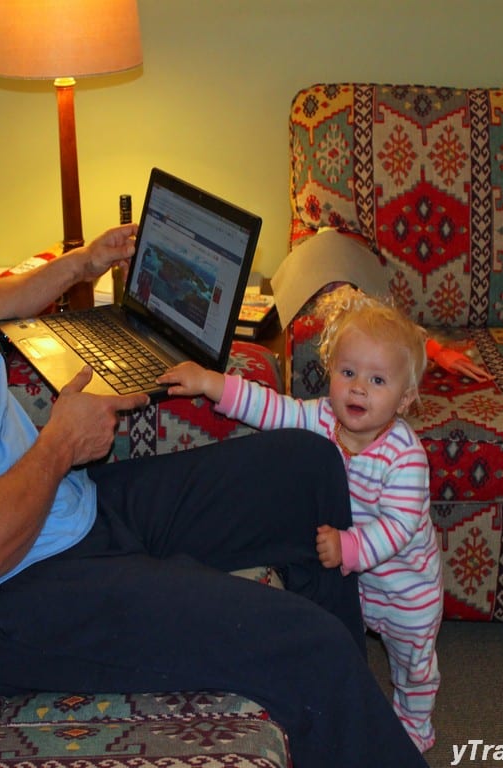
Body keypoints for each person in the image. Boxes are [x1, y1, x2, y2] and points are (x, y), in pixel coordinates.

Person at [0, 6, 428, 768]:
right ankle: (334, 690)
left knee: (307, 469)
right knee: (300, 644)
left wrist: (76, 267)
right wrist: (59, 445)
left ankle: (341, 716)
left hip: (59, 514)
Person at [160, 286, 444, 752]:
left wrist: (350, 547)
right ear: (329, 371)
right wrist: (213, 383)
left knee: (412, 667)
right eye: (348, 372)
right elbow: (274, 410)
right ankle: (358, 703)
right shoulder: (323, 418)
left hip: (407, 592)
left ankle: (415, 727)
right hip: (358, 587)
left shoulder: (405, 456)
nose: (357, 388)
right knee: (352, 650)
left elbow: (400, 526)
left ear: (406, 398)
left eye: (377, 381)